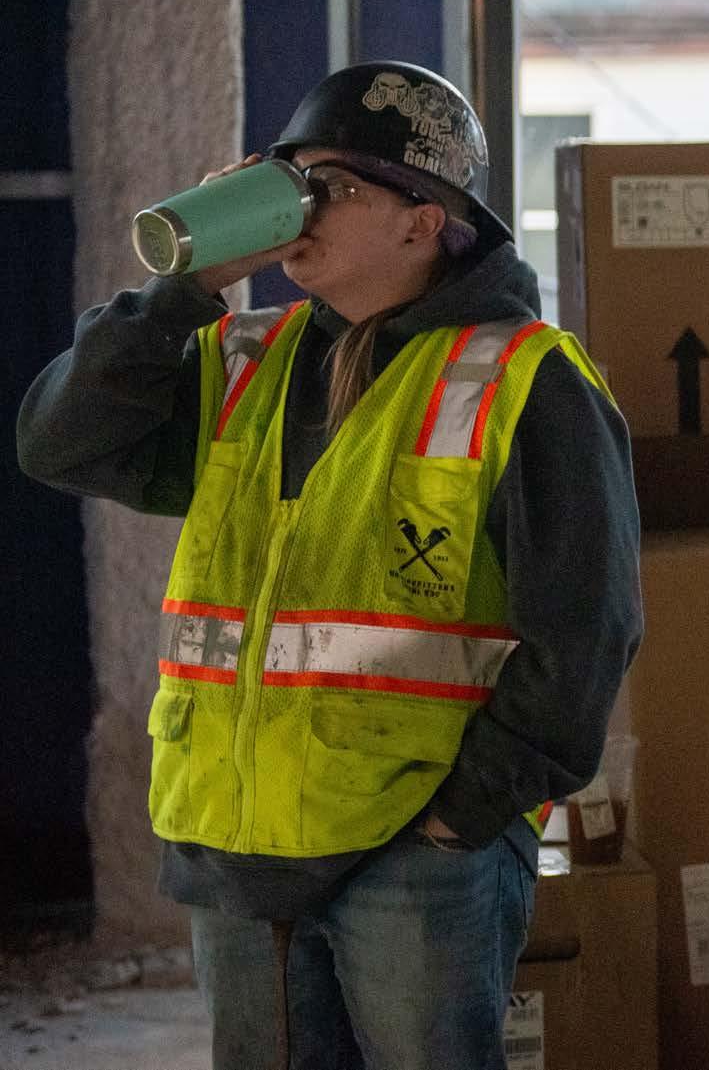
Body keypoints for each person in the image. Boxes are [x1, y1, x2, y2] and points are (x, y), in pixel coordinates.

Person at [18, 61, 643, 1070]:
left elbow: (586, 632)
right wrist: (185, 288)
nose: (301, 207)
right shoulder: (242, 357)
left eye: (335, 186)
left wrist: (459, 817)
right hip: (236, 844)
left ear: (423, 219)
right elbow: (58, 444)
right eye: (290, 179)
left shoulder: (525, 377)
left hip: (413, 858)